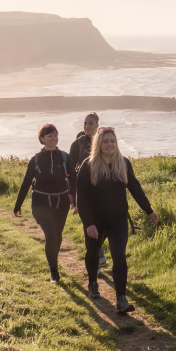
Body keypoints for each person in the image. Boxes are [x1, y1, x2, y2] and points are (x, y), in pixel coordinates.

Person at [76, 126, 159, 313]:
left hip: (119, 220)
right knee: (92, 253)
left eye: (112, 141)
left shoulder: (123, 163)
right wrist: (89, 223)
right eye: (105, 141)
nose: (109, 144)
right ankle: (92, 283)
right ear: (99, 144)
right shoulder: (88, 166)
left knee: (119, 257)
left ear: (116, 143)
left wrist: (149, 211)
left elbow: (135, 188)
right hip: (96, 221)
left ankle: (121, 299)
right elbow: (82, 198)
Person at [13, 123, 74, 284]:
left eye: (55, 134)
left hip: (61, 203)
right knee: (51, 235)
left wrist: (74, 196)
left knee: (58, 236)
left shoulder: (65, 157)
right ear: (42, 139)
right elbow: (26, 183)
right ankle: (54, 272)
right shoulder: (36, 160)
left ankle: (53, 260)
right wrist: (17, 205)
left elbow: (73, 179)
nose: (54, 138)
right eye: (49, 135)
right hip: (41, 204)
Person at [68, 111, 106, 266]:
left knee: (102, 222)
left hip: (102, 189)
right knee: (89, 222)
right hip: (83, 189)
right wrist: (72, 193)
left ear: (97, 125)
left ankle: (98, 251)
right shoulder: (77, 144)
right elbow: (69, 170)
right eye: (85, 123)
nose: (87, 126)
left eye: (91, 123)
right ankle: (95, 257)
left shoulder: (105, 141)